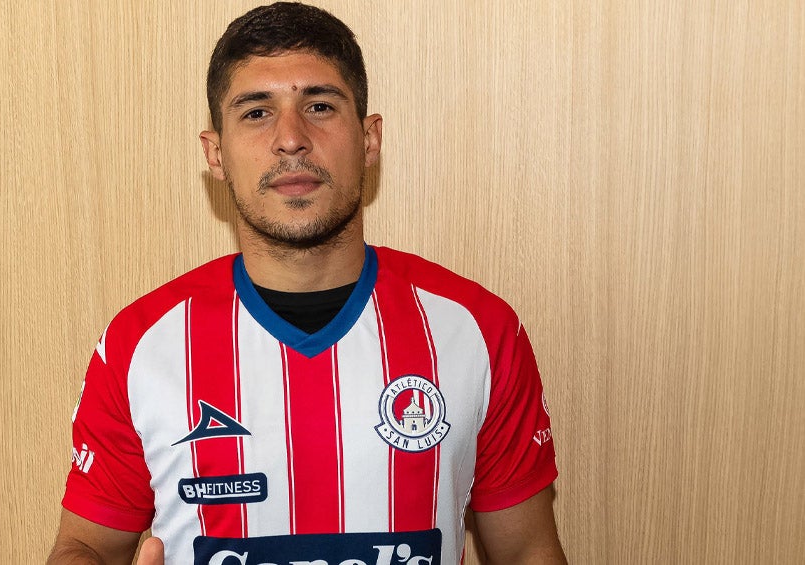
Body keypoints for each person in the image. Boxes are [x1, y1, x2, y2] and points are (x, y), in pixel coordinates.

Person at [48, 3, 566, 564]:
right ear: (215, 153)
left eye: (319, 106)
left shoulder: (476, 330)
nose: (291, 138)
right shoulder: (141, 345)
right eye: (256, 112)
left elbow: (528, 551)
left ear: (369, 139)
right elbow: (85, 545)